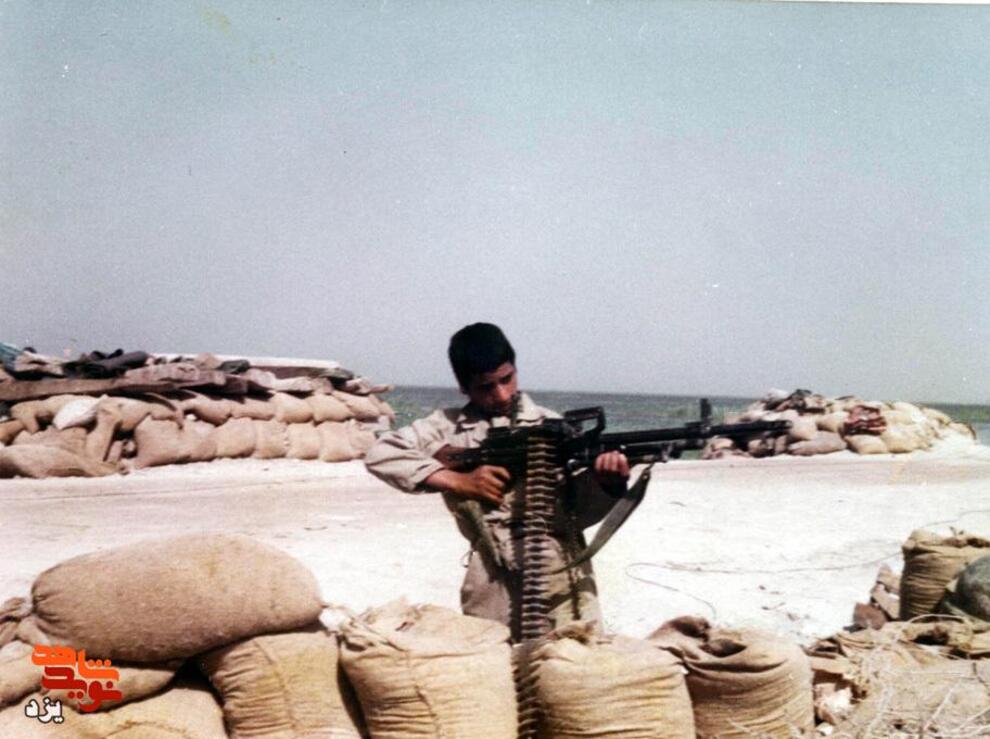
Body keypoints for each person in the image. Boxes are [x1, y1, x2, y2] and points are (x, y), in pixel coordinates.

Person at [364, 322, 629, 637]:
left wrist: (607, 484)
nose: (501, 394)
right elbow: (381, 452)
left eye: (507, 379)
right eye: (486, 387)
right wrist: (457, 480)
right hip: (491, 574)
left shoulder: (551, 425)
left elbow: (577, 515)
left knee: (571, 660)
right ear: (463, 387)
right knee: (492, 657)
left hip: (557, 568)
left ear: (516, 369)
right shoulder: (445, 427)